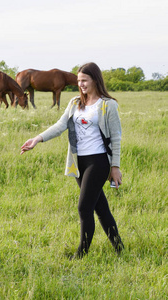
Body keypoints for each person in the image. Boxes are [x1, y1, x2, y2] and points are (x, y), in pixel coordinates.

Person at [20, 62, 124, 259]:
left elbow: (116, 137)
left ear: (95, 79)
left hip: (99, 161)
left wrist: (115, 167)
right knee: (100, 207)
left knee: (84, 207)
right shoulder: (75, 103)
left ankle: (81, 254)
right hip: (78, 161)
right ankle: (120, 249)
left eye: (84, 80)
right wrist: (37, 139)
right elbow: (61, 125)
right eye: (78, 81)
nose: (81, 84)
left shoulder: (108, 105)